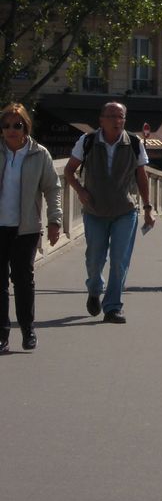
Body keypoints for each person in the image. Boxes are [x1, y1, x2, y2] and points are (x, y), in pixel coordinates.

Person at [64, 101, 154, 324]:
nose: (117, 121)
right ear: (101, 120)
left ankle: (113, 307)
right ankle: (94, 289)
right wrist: (80, 191)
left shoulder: (133, 142)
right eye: (112, 116)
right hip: (95, 210)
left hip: (125, 210)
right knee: (95, 259)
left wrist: (148, 207)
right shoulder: (88, 141)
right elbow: (69, 171)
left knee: (119, 260)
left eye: (121, 116)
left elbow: (142, 176)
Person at [0, 103, 62, 352]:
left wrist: (55, 220)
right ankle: (2, 334)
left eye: (17, 125)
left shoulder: (39, 154)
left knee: (23, 280)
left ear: (26, 127)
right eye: (6, 126)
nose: (11, 130)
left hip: (26, 228)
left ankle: (28, 330)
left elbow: (53, 187)